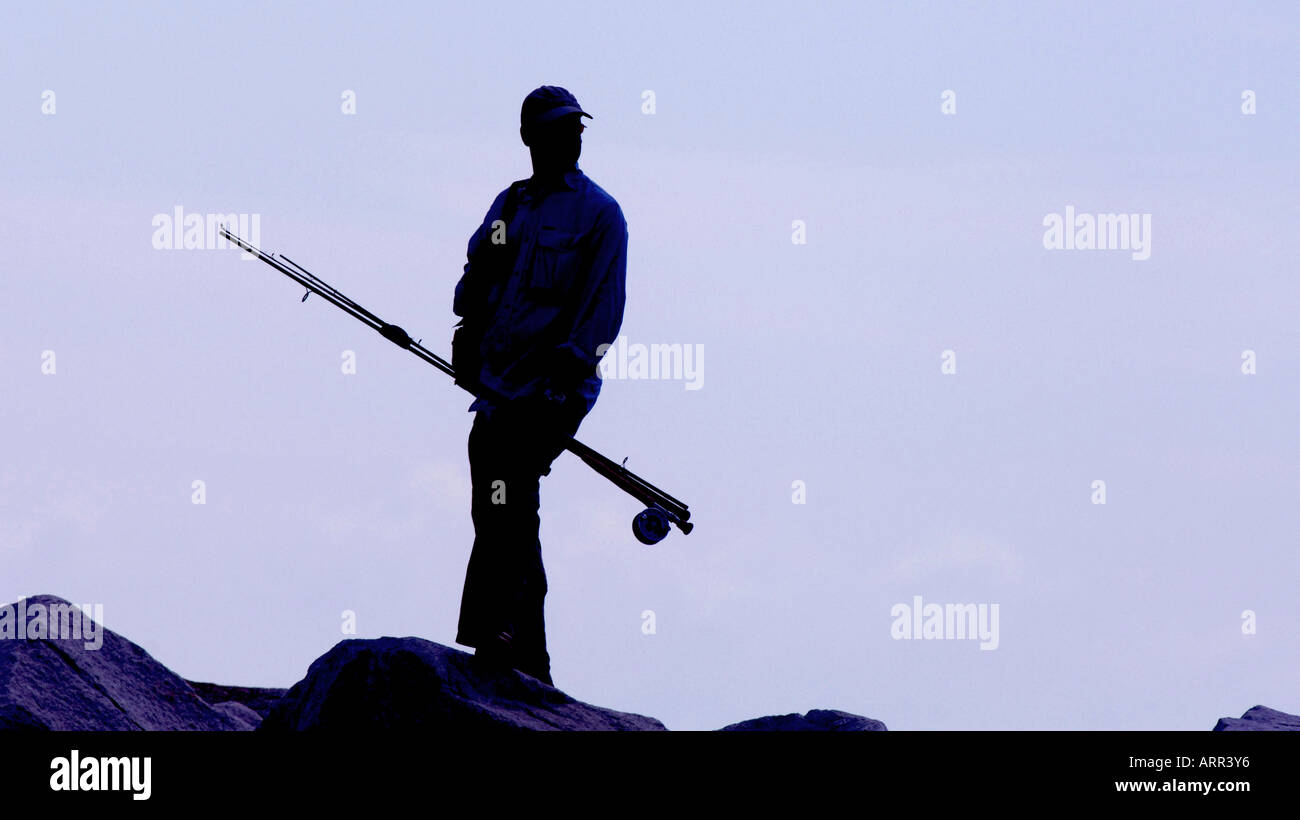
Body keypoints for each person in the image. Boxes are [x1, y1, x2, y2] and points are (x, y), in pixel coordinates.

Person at [451, 86, 627, 686]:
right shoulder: (513, 207)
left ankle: (498, 631)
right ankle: (531, 656)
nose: (571, 137)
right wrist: (466, 333)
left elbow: (600, 316)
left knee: (509, 493)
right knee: (496, 504)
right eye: (557, 128)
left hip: (552, 395)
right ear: (530, 137)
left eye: (577, 127)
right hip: (495, 389)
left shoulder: (601, 216)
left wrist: (558, 391)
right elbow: (481, 273)